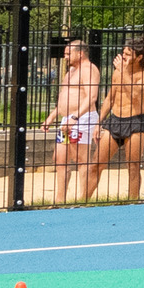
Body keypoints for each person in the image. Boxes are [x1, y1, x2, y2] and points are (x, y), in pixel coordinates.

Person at [87, 41, 144, 202]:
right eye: (123, 52)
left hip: (135, 121)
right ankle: (82, 201)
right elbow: (110, 98)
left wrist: (123, 73)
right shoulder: (118, 71)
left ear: (139, 57)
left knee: (133, 166)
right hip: (115, 120)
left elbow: (136, 95)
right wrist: (98, 123)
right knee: (96, 164)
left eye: (128, 54)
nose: (123, 56)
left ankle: (132, 202)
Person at [46, 39, 103, 203]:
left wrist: (75, 117)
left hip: (82, 118)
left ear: (80, 53)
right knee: (60, 159)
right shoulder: (71, 71)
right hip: (67, 119)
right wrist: (52, 117)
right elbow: (65, 96)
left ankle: (83, 200)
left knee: (81, 159)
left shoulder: (89, 69)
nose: (65, 57)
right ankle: (60, 200)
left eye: (68, 54)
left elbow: (91, 97)